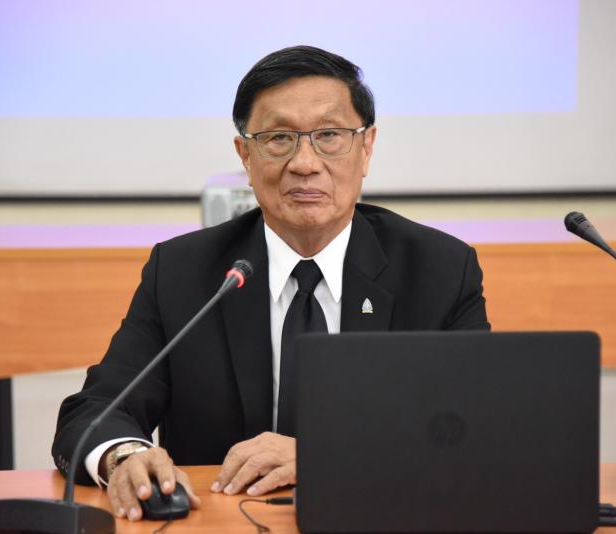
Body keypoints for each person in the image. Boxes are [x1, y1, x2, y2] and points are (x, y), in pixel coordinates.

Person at [52, 45, 490, 522]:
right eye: (279, 138)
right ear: (245, 154)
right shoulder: (183, 272)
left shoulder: (440, 271)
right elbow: (95, 410)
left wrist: (326, 457)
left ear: (367, 148)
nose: (305, 163)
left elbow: (473, 428)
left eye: (329, 135)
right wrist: (124, 457)